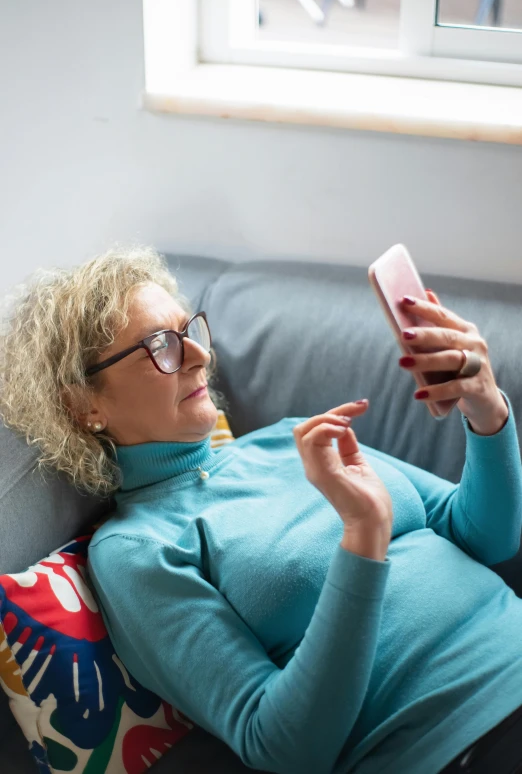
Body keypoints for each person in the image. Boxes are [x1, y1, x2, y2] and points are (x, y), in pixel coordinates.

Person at [0, 245, 521, 774]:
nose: (200, 356)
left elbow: (483, 536)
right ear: (84, 404)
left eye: (190, 332)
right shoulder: (138, 549)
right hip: (460, 742)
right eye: (160, 346)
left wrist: (485, 407)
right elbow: (281, 746)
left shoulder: (288, 439)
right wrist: (363, 539)